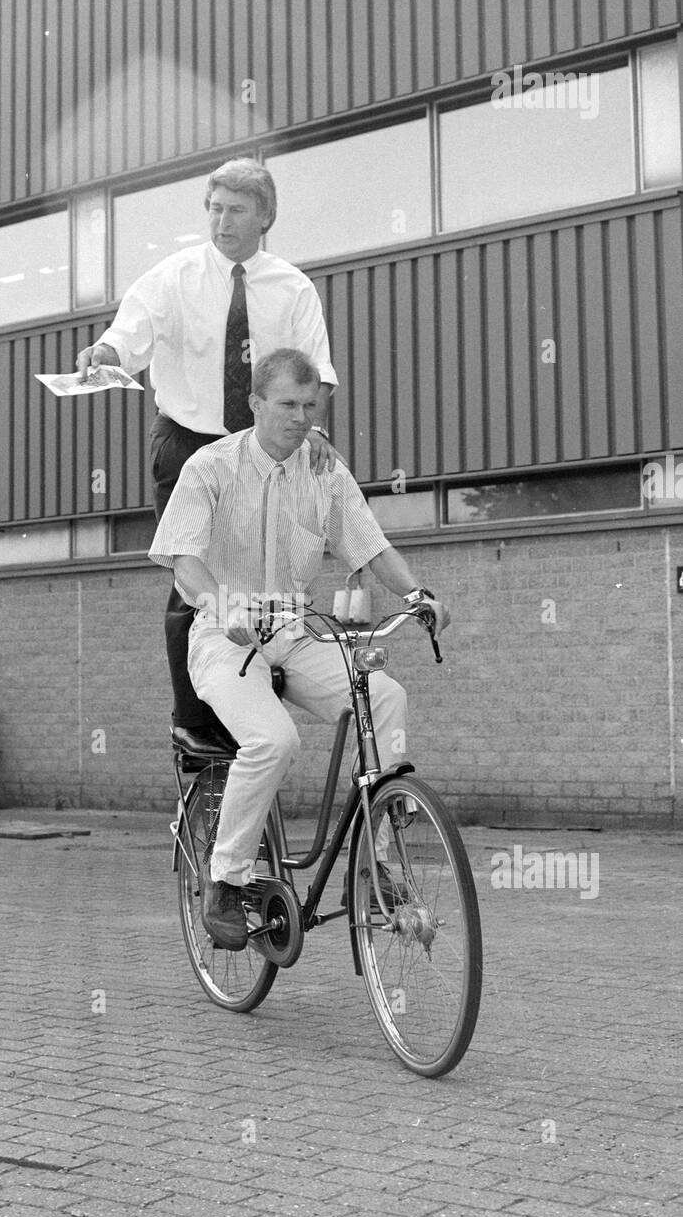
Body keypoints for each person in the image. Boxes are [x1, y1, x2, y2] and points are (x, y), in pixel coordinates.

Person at [149, 349, 450, 950]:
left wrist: (418, 593)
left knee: (386, 697)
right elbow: (184, 555)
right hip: (223, 636)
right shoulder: (211, 466)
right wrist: (219, 604)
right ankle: (226, 880)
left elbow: (370, 548)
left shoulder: (324, 472)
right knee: (273, 740)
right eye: (287, 403)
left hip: (296, 630)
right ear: (256, 404)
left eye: (311, 404)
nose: (300, 415)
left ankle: (373, 865)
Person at [75, 158, 339, 753]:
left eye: (236, 209)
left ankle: (246, 704)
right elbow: (128, 334)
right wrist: (105, 350)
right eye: (214, 208)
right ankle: (191, 721)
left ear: (264, 217)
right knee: (191, 577)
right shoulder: (173, 277)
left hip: (261, 447)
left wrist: (312, 430)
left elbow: (316, 372)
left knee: (260, 577)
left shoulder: (293, 287)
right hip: (188, 441)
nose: (222, 220)